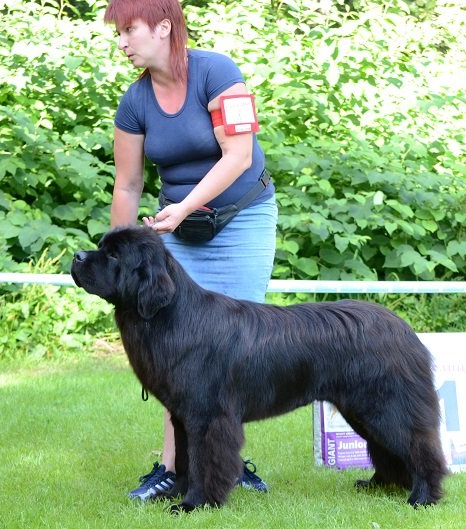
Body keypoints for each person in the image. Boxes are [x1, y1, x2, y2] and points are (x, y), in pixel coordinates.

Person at [103, 0, 277, 502]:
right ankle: (172, 467)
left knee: (235, 352)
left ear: (164, 26)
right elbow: (128, 186)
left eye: (129, 30)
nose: (122, 43)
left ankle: (228, 463)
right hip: (178, 233)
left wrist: (182, 208)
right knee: (176, 351)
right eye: (118, 33)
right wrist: (119, 256)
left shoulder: (217, 71)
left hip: (242, 218)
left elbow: (239, 155)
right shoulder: (134, 103)